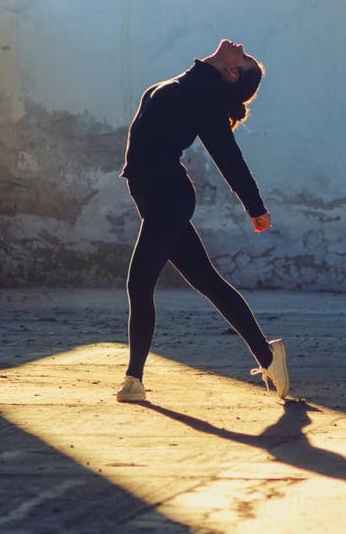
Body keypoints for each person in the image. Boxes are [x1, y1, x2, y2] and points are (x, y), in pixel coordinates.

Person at [116, 39, 289, 402]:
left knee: (139, 282)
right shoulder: (188, 83)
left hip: (169, 196)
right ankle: (268, 356)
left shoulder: (204, 95)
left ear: (232, 72)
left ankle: (134, 380)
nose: (240, 47)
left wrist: (255, 207)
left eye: (244, 57)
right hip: (151, 194)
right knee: (208, 281)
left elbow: (228, 156)